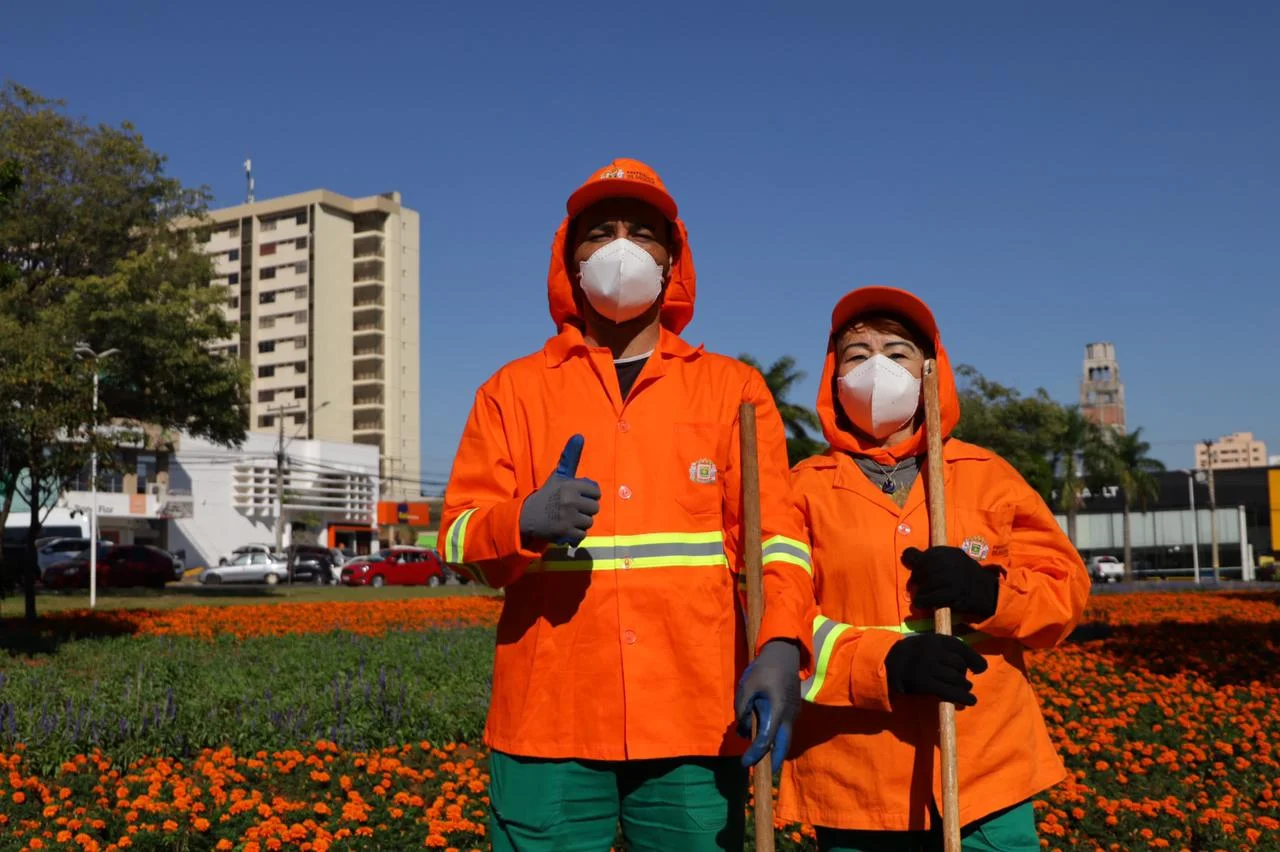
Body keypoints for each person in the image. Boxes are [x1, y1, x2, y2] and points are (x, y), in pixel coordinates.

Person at [438, 158, 814, 852]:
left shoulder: (734, 391)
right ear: (568, 258)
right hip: (548, 723)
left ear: (673, 261)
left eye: (642, 232)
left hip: (698, 717)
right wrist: (519, 521)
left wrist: (783, 642)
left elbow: (777, 541)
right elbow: (457, 537)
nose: (620, 248)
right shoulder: (510, 392)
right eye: (600, 232)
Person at [777, 286, 1090, 851]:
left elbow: (1065, 590)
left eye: (896, 353)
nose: (877, 367)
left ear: (929, 372)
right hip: (855, 780)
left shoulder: (987, 474)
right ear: (834, 378)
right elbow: (781, 619)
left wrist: (992, 595)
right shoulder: (799, 490)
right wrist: (883, 665)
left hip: (987, 774)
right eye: (856, 355)